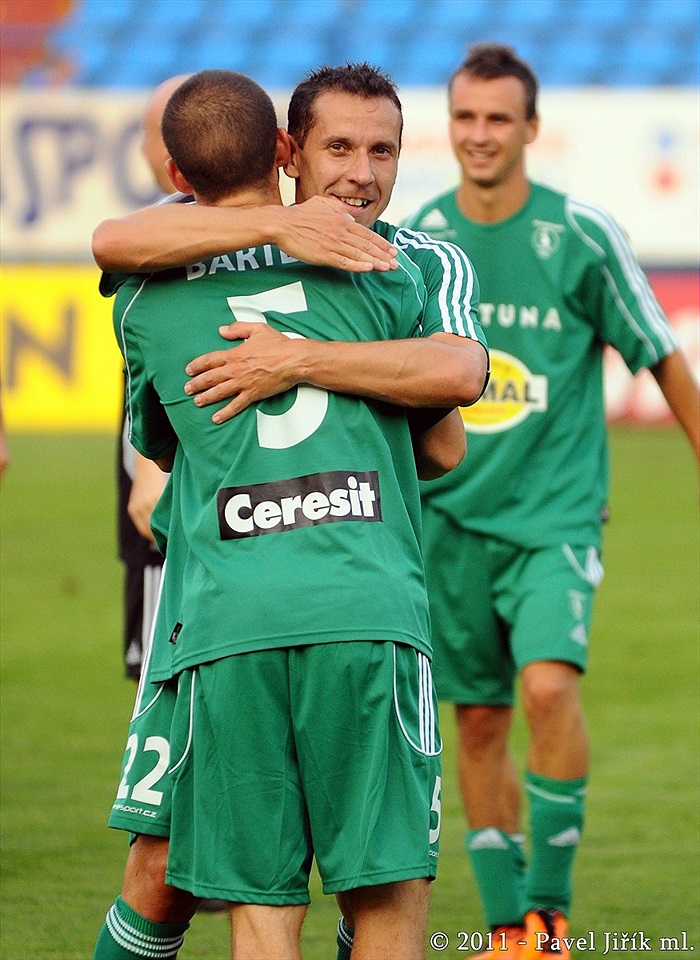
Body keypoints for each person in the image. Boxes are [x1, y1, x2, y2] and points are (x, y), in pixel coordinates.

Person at [94, 67, 488, 960]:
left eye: (381, 149)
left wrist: (295, 362)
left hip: (228, 621)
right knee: (386, 894)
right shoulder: (401, 270)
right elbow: (449, 436)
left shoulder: (154, 295)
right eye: (340, 148)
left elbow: (156, 443)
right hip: (362, 605)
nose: (361, 171)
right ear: (286, 152)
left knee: (250, 904)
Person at [399, 42, 700, 959]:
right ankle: (505, 931)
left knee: (545, 688)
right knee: (481, 718)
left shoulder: (578, 235)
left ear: (532, 129)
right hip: (448, 520)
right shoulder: (418, 240)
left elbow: (662, 355)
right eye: (465, 117)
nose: (480, 134)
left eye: (499, 118)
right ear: (447, 126)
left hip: (555, 522)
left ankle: (553, 913)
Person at [117, 75, 190, 686]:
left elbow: (111, 242)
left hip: (179, 499)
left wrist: (147, 467)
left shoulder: (158, 247)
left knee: (163, 701)